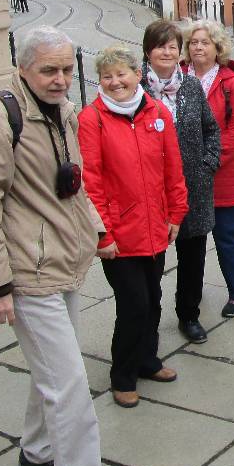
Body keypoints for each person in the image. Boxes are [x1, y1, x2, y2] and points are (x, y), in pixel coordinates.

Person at [0, 26, 127, 466]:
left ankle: (37, 449)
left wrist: (97, 231)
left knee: (51, 369)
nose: (61, 79)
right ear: (23, 67)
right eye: (49, 70)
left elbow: (72, 187)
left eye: (68, 69)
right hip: (27, 273)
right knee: (70, 385)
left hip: (60, 262)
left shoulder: (61, 111)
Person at [78, 45, 189, 408]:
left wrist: (176, 214)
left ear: (137, 75)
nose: (115, 82)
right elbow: (91, 182)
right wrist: (102, 234)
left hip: (155, 226)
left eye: (121, 74)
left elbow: (173, 168)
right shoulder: (92, 119)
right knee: (133, 304)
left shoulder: (157, 112)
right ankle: (122, 375)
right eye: (106, 76)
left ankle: (147, 360)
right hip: (119, 233)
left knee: (153, 299)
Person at [144, 19, 221, 343]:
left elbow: (211, 130)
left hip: (193, 188)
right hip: (151, 192)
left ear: (180, 52)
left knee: (193, 259)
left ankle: (189, 315)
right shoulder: (135, 89)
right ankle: (147, 322)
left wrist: (207, 165)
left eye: (172, 46)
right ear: (148, 51)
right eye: (160, 46)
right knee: (150, 263)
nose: (167, 52)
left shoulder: (190, 86)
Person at [186, 19, 234, 316]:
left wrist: (208, 160)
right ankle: (191, 292)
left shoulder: (230, 82)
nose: (198, 47)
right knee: (192, 240)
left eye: (205, 42)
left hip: (222, 173)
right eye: (193, 42)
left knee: (227, 236)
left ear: (218, 48)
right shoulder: (179, 77)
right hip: (186, 174)